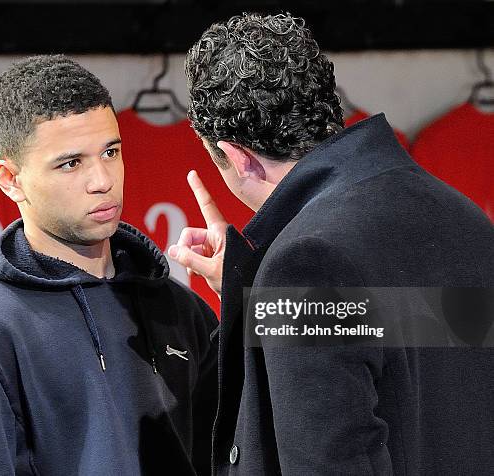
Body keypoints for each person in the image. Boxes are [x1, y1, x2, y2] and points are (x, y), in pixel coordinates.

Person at [169, 12, 494, 475]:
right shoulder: (466, 220)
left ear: (238, 157)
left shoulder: (305, 265)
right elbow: (411, 354)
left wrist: (271, 289)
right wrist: (254, 295)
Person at [0, 55, 218, 476]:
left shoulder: (180, 308)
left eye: (111, 152)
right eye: (71, 163)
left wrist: (246, 294)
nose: (102, 180)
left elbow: (279, 433)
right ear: (10, 179)